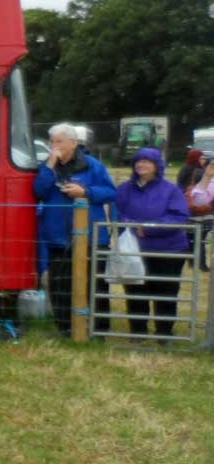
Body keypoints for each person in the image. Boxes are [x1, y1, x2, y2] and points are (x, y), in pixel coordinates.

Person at [33, 123, 117, 336]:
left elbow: (110, 192)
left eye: (59, 141)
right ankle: (65, 329)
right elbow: (39, 191)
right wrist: (49, 166)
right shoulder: (47, 167)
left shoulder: (92, 165)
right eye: (52, 142)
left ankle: (99, 329)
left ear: (74, 143)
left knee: (95, 285)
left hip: (90, 237)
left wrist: (85, 191)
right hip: (57, 237)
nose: (55, 146)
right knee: (59, 286)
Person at [114, 147, 191, 336]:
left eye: (147, 161)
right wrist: (130, 225)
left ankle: (164, 332)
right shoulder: (124, 189)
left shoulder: (171, 190)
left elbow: (178, 217)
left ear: (157, 165)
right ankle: (138, 331)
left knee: (165, 292)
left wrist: (148, 227)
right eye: (138, 161)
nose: (141, 164)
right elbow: (117, 214)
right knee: (135, 290)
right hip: (134, 250)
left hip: (168, 251)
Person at [184, 157, 213, 272]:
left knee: (193, 242)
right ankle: (201, 264)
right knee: (200, 243)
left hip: (193, 219)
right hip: (206, 219)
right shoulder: (207, 189)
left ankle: (193, 262)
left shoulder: (190, 189)